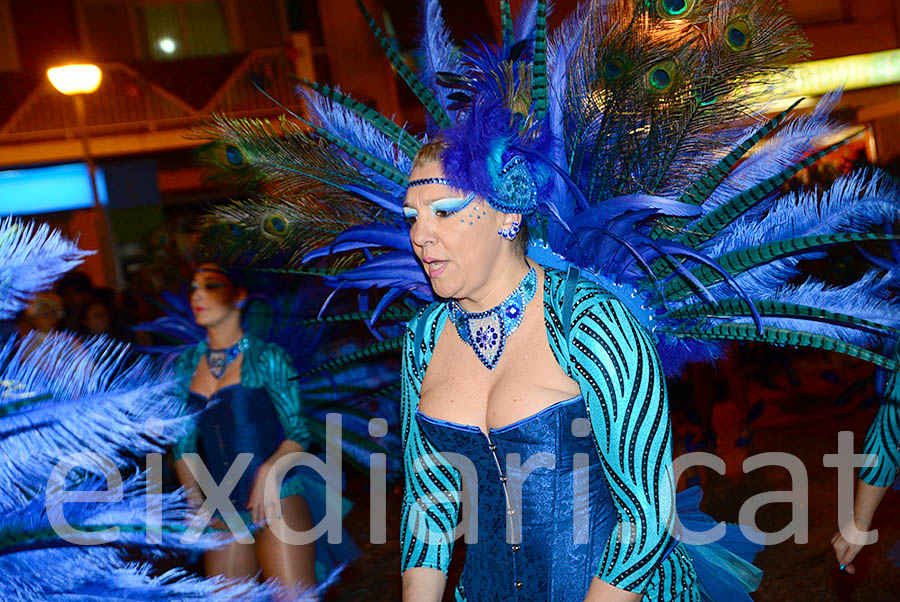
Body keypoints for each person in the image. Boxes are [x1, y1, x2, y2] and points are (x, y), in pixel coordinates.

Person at [398, 142, 747, 601]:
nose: (420, 234)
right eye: (411, 217)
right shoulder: (422, 339)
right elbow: (429, 508)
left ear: (508, 216)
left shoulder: (589, 322)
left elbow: (647, 514)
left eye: (442, 211)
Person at [171, 264, 320, 588]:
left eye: (211, 286)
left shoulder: (267, 357)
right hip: (221, 508)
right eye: (193, 288)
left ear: (239, 296)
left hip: (277, 498)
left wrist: (269, 472)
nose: (197, 295)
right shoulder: (185, 365)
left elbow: (299, 433)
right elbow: (183, 444)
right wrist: (195, 502)